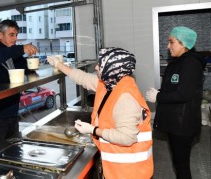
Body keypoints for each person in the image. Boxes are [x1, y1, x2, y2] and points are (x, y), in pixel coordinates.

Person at [48, 47, 153, 179]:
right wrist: (58, 64)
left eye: (101, 64)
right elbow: (83, 78)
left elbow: (126, 138)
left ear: (112, 69)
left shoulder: (125, 99)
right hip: (117, 168)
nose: (96, 67)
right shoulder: (110, 84)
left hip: (129, 172)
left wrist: (93, 130)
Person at [146, 26, 206, 179]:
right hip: (175, 123)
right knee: (178, 163)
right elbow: (171, 88)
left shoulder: (191, 64)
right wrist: (159, 92)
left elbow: (184, 94)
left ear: (183, 43)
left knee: (181, 166)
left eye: (171, 42)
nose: (167, 46)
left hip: (183, 124)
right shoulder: (176, 63)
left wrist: (159, 96)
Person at [0, 19, 38, 151]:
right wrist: (21, 48)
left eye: (16, 35)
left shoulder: (12, 51)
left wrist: (32, 64)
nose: (15, 38)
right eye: (11, 35)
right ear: (0, 35)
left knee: (14, 155)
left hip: (12, 115)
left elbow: (25, 68)